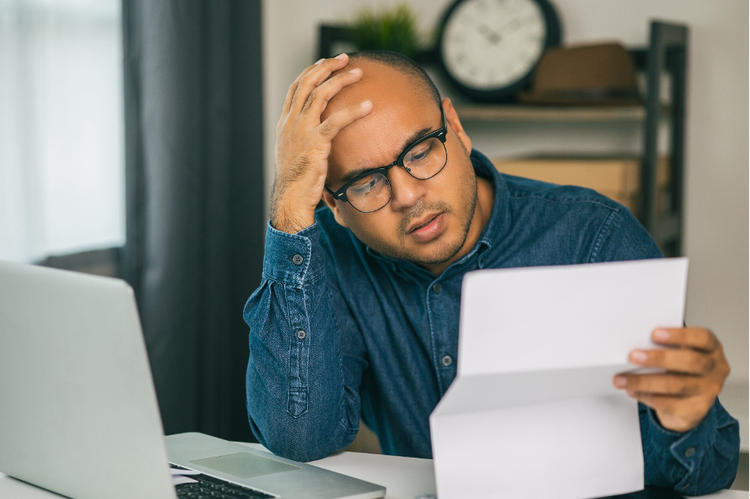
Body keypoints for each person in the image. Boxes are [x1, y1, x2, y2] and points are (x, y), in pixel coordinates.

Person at [244, 51, 739, 495]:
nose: (408, 196)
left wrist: (685, 421)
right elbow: (299, 437)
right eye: (367, 182)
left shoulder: (596, 235)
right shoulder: (323, 255)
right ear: (333, 203)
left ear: (455, 128)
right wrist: (289, 210)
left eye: (420, 152)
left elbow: (706, 473)